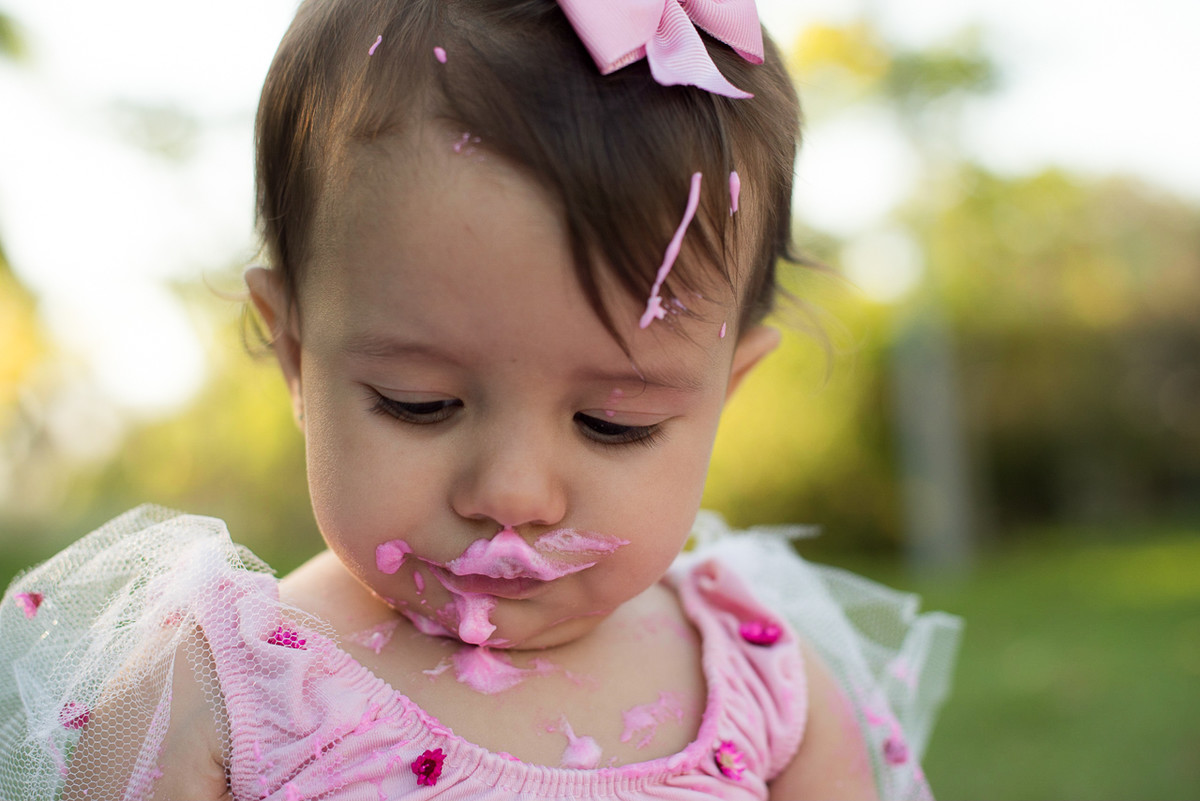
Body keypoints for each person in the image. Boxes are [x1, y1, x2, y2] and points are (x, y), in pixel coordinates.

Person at [0, 1, 961, 798]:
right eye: (419, 403)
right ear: (296, 355)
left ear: (725, 393)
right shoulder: (222, 691)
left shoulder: (763, 688)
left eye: (612, 422)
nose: (512, 492)